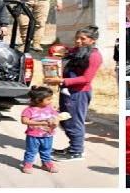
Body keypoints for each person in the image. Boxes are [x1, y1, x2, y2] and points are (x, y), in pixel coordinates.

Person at [46, 25, 103, 161]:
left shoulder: (94, 56)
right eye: (77, 38)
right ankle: (74, 147)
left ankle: (76, 152)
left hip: (79, 94)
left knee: (74, 122)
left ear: (92, 40)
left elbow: (86, 79)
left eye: (82, 39)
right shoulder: (78, 51)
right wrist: (57, 49)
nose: (78, 41)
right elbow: (62, 51)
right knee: (65, 120)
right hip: (68, 91)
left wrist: (61, 80)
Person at [20, 86, 60, 174]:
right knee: (31, 151)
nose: (51, 101)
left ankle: (46, 163)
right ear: (38, 100)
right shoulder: (29, 110)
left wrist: (56, 120)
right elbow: (24, 121)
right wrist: (41, 123)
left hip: (48, 135)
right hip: (33, 135)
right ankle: (28, 164)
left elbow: (56, 116)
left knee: (46, 150)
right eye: (48, 99)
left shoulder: (49, 108)